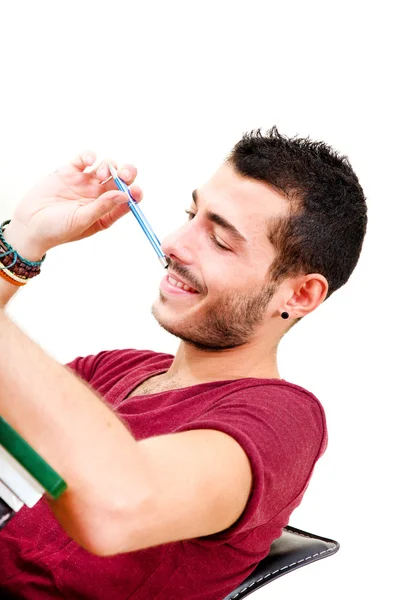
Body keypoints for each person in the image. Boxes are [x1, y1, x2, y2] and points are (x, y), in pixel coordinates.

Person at [0, 127, 367, 599]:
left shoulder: (284, 420)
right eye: (190, 215)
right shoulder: (110, 371)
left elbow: (117, 504)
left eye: (219, 240)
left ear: (299, 294)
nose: (174, 243)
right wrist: (24, 241)